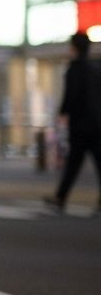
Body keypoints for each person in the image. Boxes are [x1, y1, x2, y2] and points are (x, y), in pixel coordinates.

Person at [44, 32, 101, 215]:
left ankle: (60, 198)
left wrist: (63, 113)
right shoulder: (96, 68)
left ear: (73, 48)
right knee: (97, 161)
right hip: (97, 123)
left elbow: (71, 95)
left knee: (73, 163)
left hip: (80, 124)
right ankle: (60, 197)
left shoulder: (74, 69)